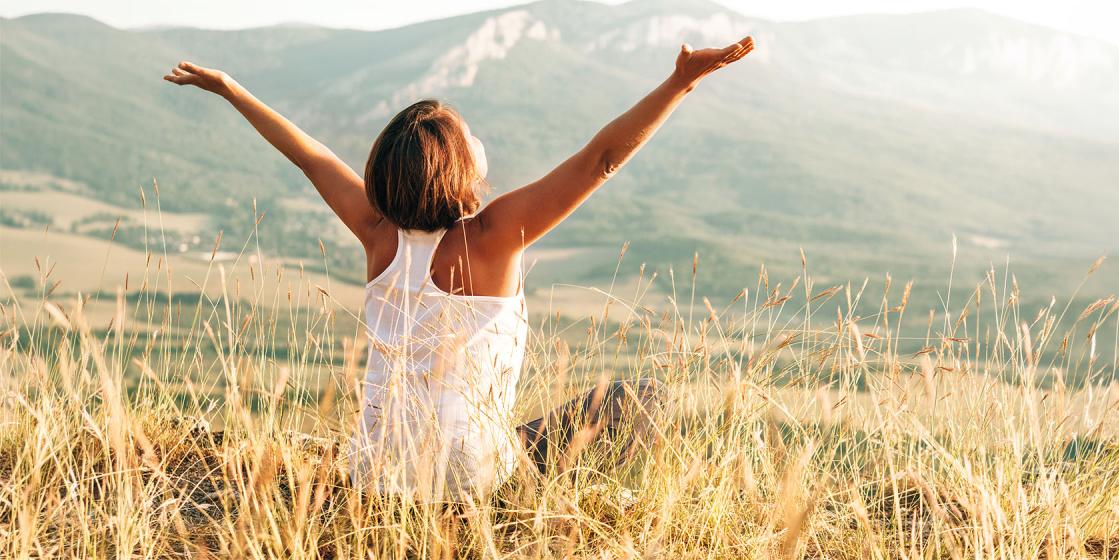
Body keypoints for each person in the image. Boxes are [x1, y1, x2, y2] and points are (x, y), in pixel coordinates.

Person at [163, 36, 755, 501]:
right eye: (467, 139)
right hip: (468, 480)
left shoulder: (377, 233)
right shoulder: (493, 238)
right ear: (457, 170)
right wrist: (680, 83)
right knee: (640, 399)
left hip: (375, 476)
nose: (476, 140)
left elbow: (308, 155)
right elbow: (600, 161)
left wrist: (232, 90)